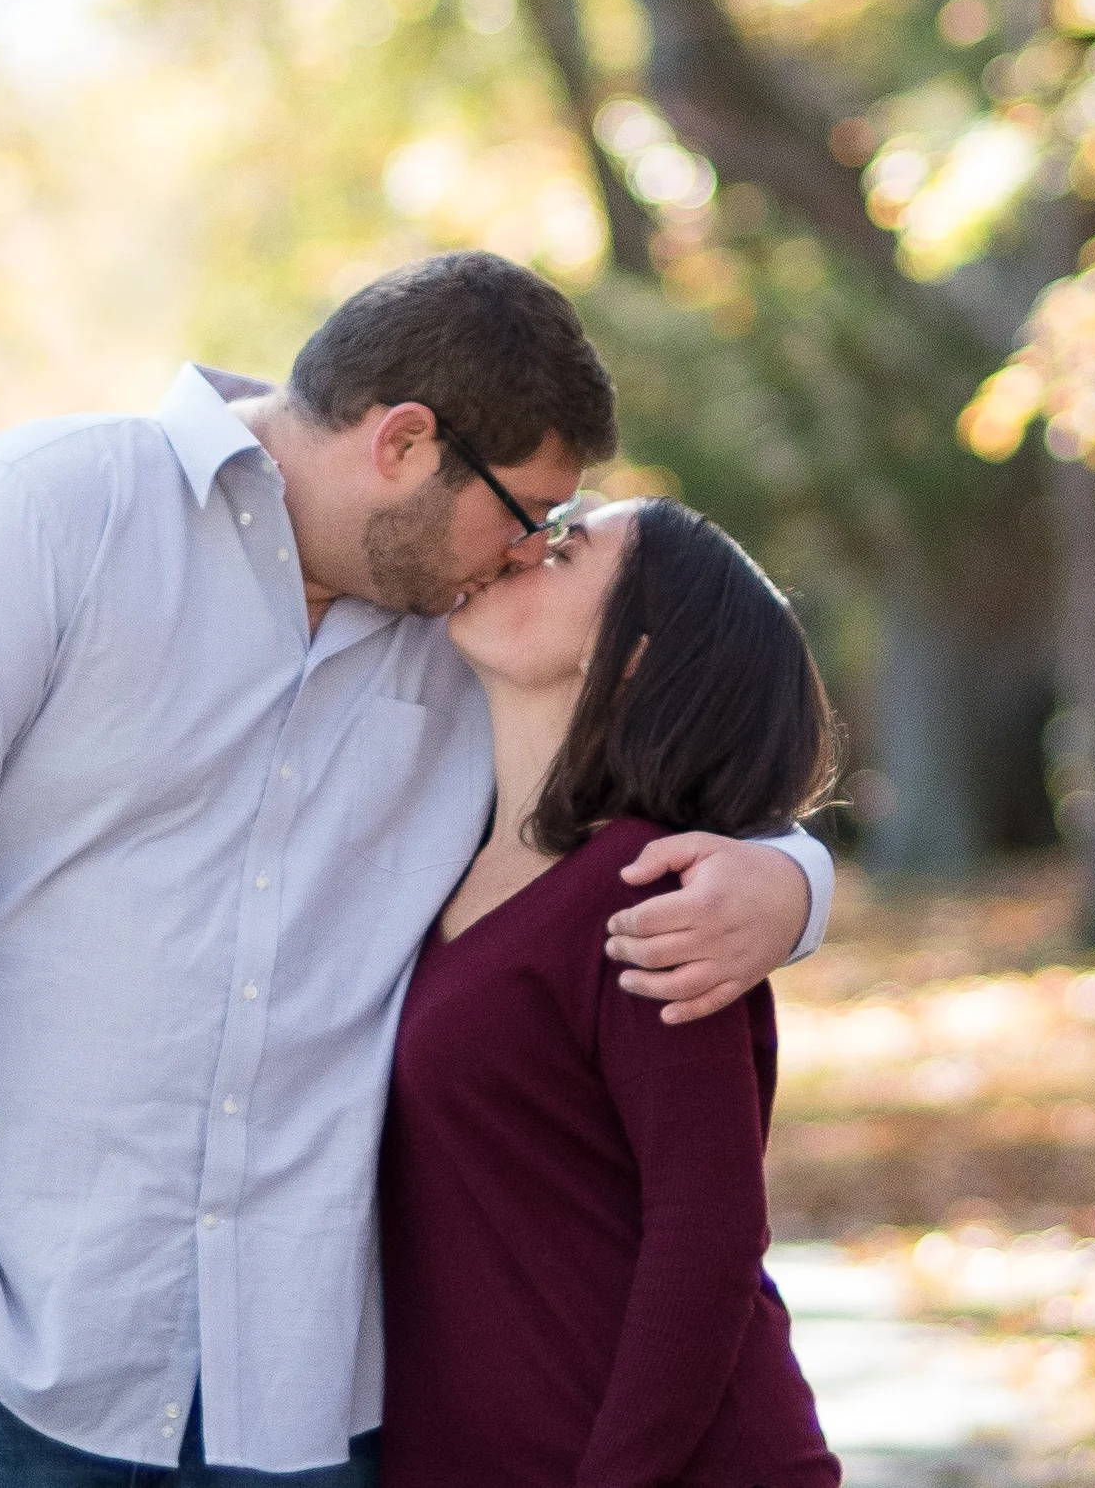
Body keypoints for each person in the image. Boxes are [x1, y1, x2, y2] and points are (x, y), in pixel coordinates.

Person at [0, 250, 836, 1486]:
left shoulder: (464, 638)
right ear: (402, 443)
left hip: (295, 1404)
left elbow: (670, 738)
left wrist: (792, 884)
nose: (523, 553)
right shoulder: (41, 516)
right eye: (525, 514)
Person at [379, 495, 842, 1488]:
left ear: (629, 652)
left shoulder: (651, 892)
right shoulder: (437, 859)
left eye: (562, 551)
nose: (518, 549)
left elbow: (706, 1230)